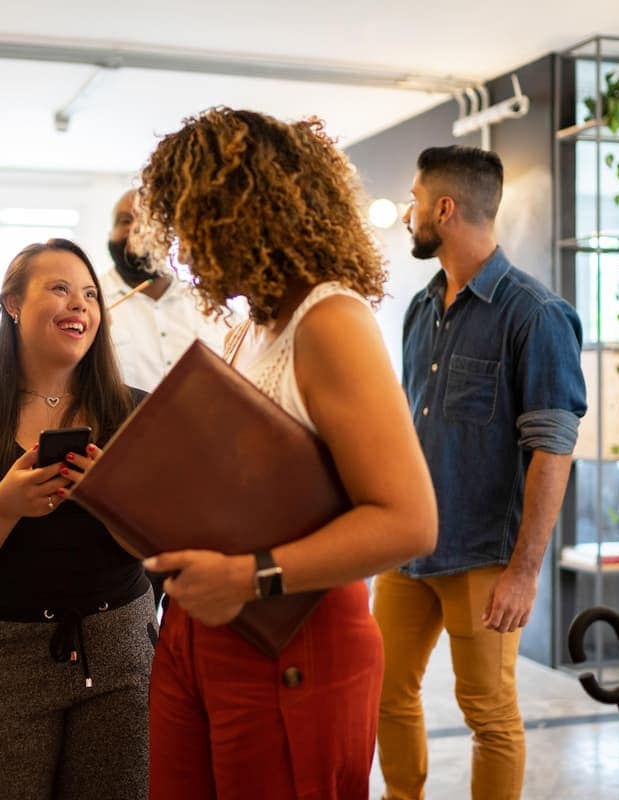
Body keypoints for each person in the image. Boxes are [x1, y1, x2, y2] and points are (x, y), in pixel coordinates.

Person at [136, 107, 438, 799]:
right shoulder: (250, 327)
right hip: (201, 628)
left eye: (195, 221)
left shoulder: (331, 321)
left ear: (245, 212)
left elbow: (409, 521)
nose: (185, 247)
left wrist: (249, 577)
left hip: (290, 634)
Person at [374, 145, 588, 800]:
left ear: (444, 208)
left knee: (488, 714)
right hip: (409, 546)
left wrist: (525, 573)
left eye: (414, 200)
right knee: (385, 691)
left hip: (484, 556)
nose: (407, 215)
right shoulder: (420, 310)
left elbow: (553, 448)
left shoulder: (536, 314)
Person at [0, 238, 155, 800]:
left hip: (121, 662)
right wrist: (4, 504)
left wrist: (107, 499)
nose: (81, 306)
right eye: (61, 289)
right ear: (13, 304)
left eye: (91, 294)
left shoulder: (136, 415)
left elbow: (163, 544)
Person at [102, 189, 228, 392]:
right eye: (125, 221)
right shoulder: (93, 306)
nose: (136, 229)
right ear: (110, 234)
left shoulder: (212, 304)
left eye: (149, 220)